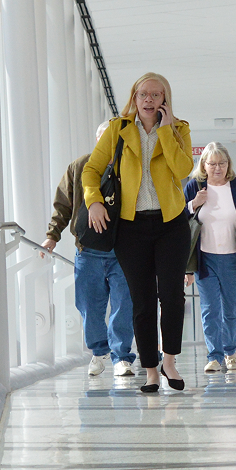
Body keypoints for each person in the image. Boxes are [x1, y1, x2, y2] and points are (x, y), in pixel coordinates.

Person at [84, 72, 194, 394]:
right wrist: (93, 202)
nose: (149, 100)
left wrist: (165, 131)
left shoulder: (179, 129)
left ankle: (169, 361)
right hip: (130, 227)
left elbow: (183, 170)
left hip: (171, 224)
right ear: (134, 98)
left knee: (172, 296)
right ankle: (150, 370)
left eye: (156, 95)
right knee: (142, 300)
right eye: (143, 94)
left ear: (165, 100)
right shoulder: (118, 130)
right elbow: (91, 170)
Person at [45, 123, 138, 380]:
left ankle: (122, 357)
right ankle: (99, 352)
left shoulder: (130, 167)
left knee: (123, 306)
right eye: (103, 138)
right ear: (97, 139)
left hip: (123, 252)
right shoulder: (80, 166)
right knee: (88, 306)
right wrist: (52, 235)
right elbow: (63, 203)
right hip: (88, 251)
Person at [184, 142, 236, 375]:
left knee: (230, 308)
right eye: (212, 164)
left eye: (222, 163)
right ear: (204, 165)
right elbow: (179, 217)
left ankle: (230, 350)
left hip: (232, 258)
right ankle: (214, 356)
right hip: (204, 259)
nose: (217, 168)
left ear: (228, 165)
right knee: (210, 309)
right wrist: (194, 203)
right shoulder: (194, 186)